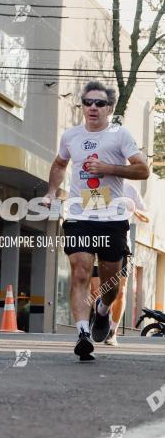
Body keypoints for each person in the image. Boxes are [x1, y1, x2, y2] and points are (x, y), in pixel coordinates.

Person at [43, 81, 149, 361]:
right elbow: (59, 164)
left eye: (99, 103)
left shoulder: (120, 135)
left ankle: (102, 311)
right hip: (80, 214)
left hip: (111, 217)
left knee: (111, 282)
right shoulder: (71, 136)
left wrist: (109, 168)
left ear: (109, 108)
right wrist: (52, 193)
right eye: (87, 102)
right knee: (79, 271)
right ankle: (82, 333)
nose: (92, 107)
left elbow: (143, 170)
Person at [90, 182, 148, 347]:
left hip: (123, 245)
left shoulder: (130, 189)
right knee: (96, 291)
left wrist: (132, 208)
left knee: (120, 292)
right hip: (99, 242)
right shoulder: (98, 186)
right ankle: (101, 318)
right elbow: (86, 211)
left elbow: (146, 215)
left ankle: (112, 332)